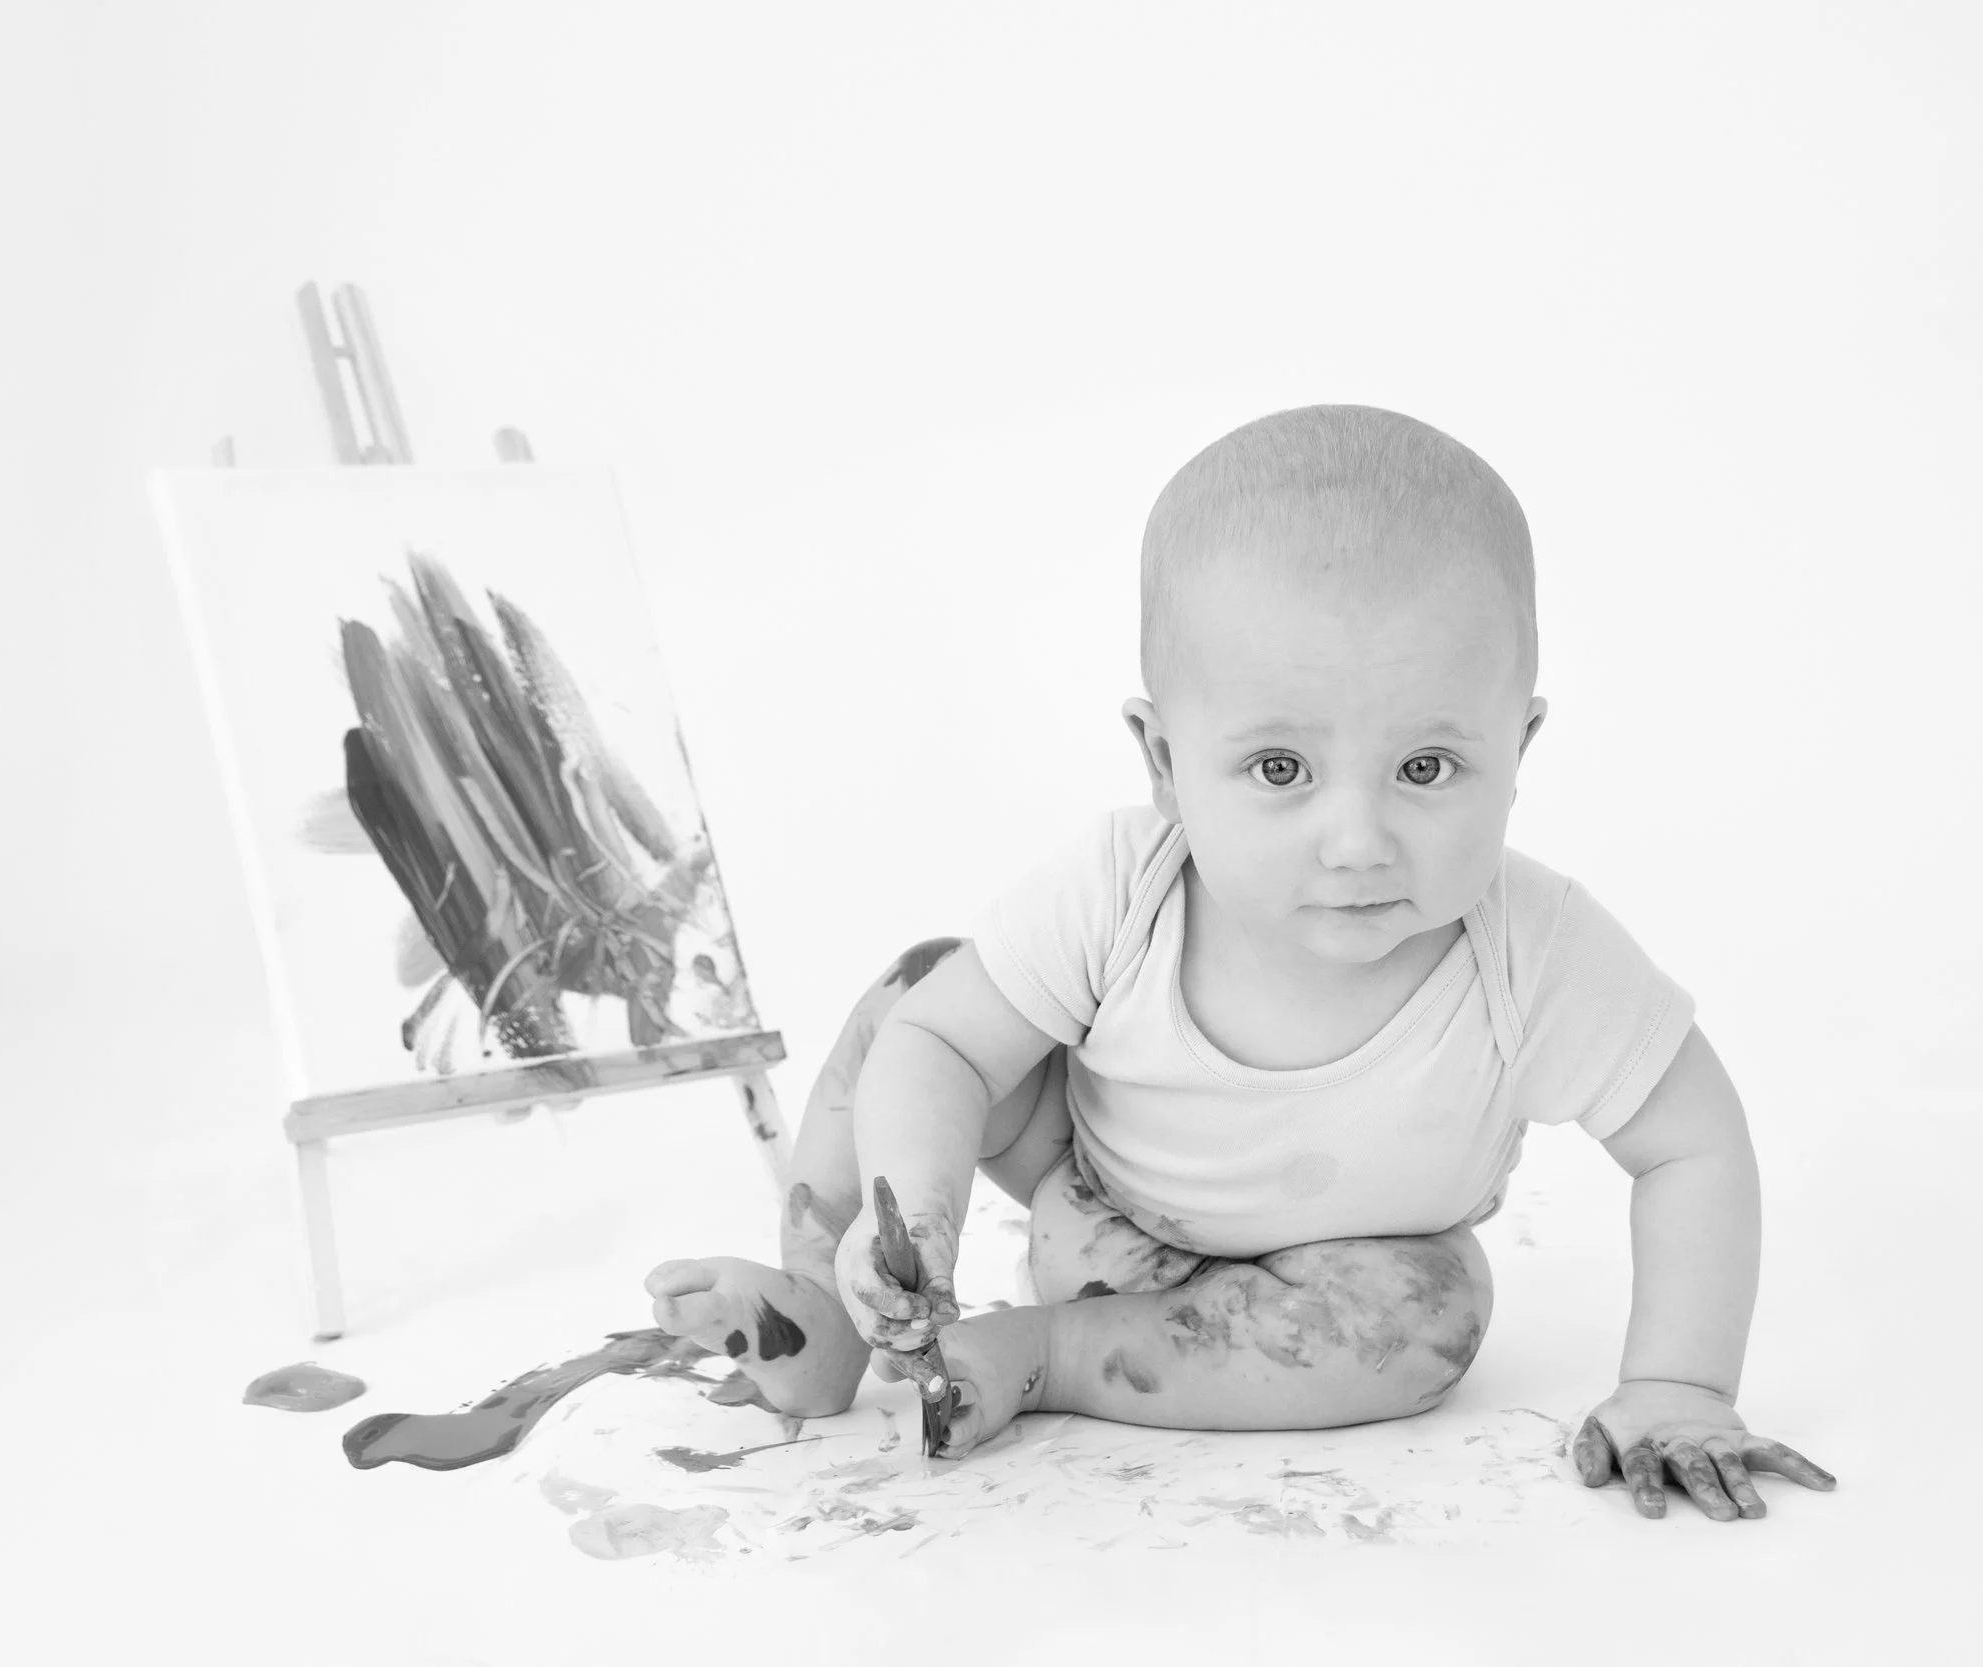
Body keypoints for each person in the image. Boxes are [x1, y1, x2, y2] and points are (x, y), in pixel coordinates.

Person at [646, 404, 1835, 1522]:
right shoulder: (1125, 882)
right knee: (921, 993)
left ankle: (1041, 1354)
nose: (1359, 839)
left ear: (1517, 746)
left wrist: (1680, 1380)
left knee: (1427, 1316)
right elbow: (946, 1049)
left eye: (1427, 768)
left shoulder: (1536, 947)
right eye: (1279, 769)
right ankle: (836, 1305)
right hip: (1084, 1185)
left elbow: (1692, 1141)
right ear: (1163, 758)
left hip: (1322, 1282)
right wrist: (922, 1202)